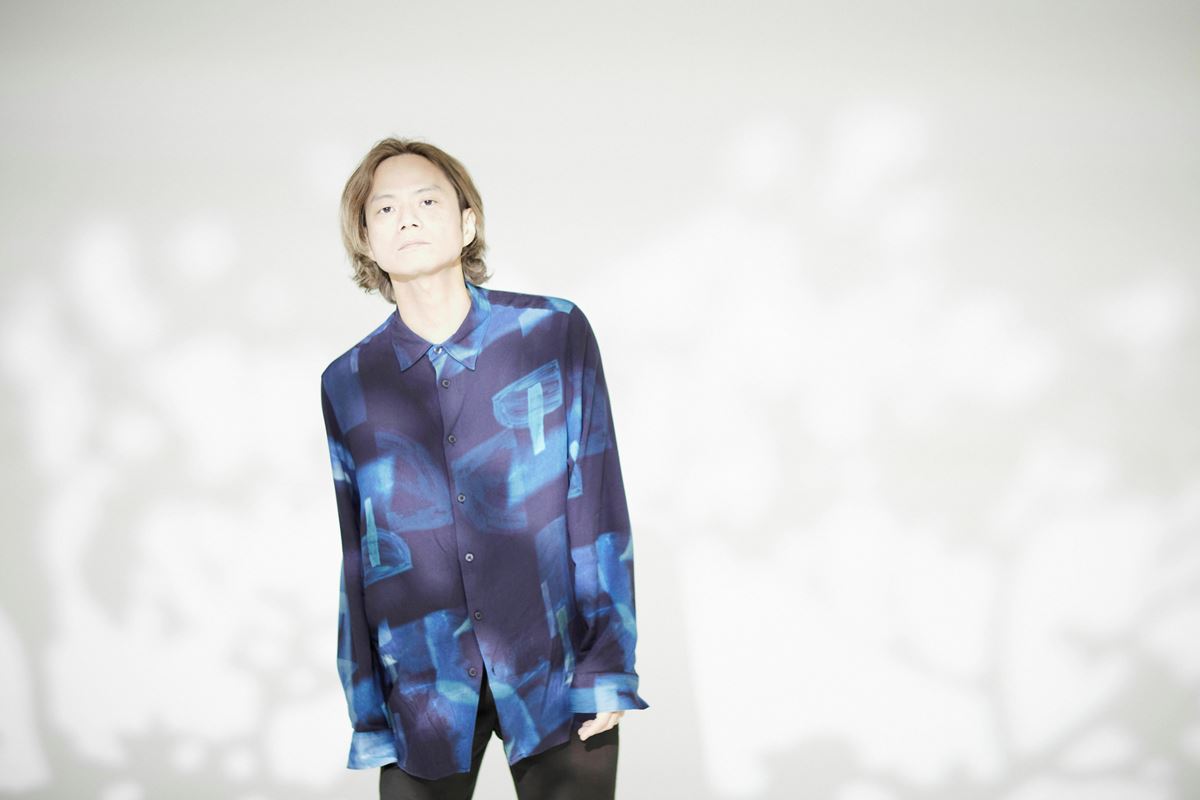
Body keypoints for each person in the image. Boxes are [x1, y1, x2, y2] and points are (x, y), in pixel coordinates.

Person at [319, 138, 649, 800]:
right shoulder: (348, 381)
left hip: (553, 670)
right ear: (366, 241)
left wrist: (606, 665)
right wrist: (369, 709)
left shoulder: (551, 333)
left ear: (467, 222)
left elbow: (596, 505)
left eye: (427, 201)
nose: (407, 218)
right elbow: (360, 550)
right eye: (385, 209)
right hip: (423, 686)